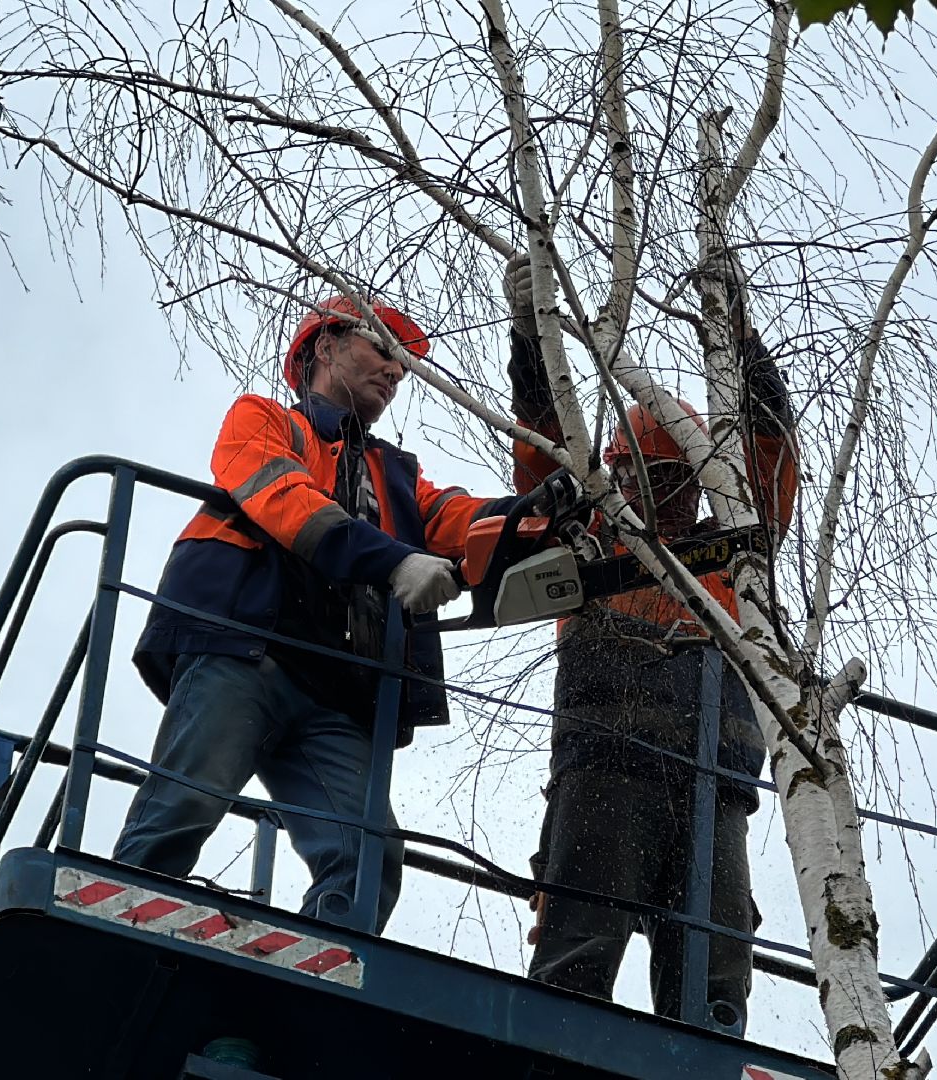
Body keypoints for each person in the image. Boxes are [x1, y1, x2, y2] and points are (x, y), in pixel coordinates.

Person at [113, 296, 513, 932]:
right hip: (244, 652)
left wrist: (546, 515)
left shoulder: (394, 475)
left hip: (335, 690)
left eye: (404, 363)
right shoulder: (265, 420)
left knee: (367, 856)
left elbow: (465, 521)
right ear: (324, 349)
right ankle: (115, 935)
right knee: (183, 806)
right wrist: (393, 563)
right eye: (383, 349)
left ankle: (320, 971)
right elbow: (286, 500)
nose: (397, 370)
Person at [503, 258, 800, 1030]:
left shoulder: (736, 553)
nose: (655, 492)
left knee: (714, 969)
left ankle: (705, 1049)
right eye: (641, 475)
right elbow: (540, 452)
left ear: (700, 480)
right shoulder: (591, 541)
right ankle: (555, 1050)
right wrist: (533, 335)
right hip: (605, 771)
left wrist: (736, 333)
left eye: (670, 476)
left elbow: (772, 450)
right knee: (578, 953)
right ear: (618, 474)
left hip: (713, 788)